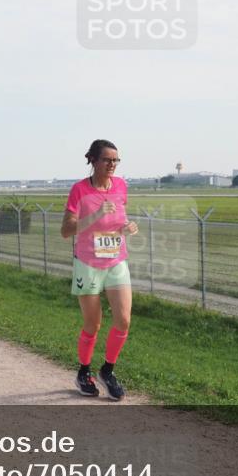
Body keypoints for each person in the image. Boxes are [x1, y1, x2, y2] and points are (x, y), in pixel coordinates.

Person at [60, 140, 138, 401]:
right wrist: (93, 216)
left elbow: (118, 221)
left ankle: (108, 370)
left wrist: (127, 228)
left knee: (124, 319)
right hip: (87, 263)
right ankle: (84, 372)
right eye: (107, 160)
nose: (112, 164)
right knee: (93, 323)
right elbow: (66, 231)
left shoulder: (121, 186)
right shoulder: (80, 190)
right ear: (93, 161)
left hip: (116, 260)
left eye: (116, 160)